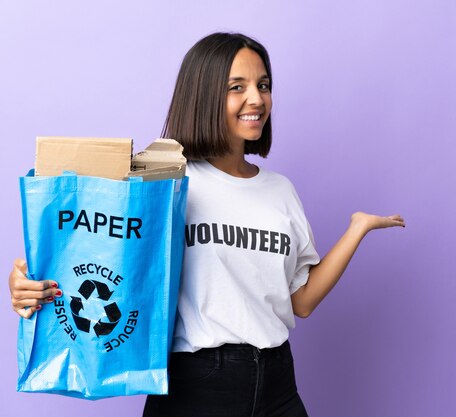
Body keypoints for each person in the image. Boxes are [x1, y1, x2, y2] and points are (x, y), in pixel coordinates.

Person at [8, 32, 405, 417]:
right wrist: (28, 281)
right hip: (198, 386)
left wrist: (357, 229)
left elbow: (301, 302)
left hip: (279, 383)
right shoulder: (164, 183)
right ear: (204, 94)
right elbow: (96, 252)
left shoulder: (280, 191)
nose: (257, 98)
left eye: (263, 84)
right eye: (237, 87)